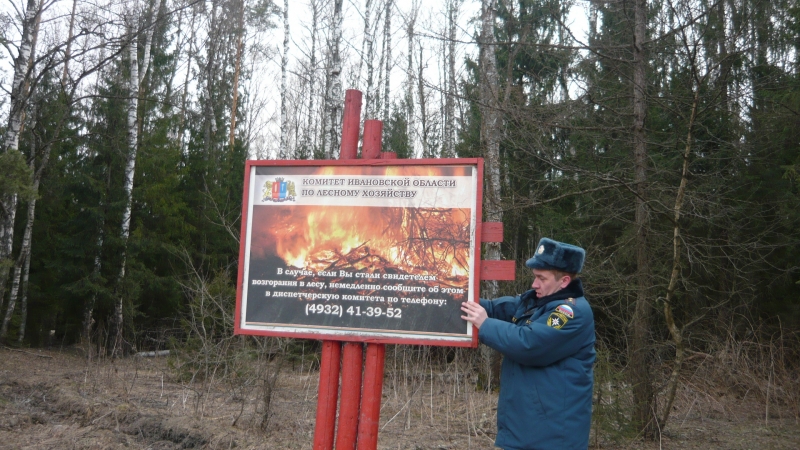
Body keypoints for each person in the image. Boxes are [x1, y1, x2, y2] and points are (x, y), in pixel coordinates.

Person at [461, 237, 596, 450]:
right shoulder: (537, 303)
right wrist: (453, 299)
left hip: (552, 438)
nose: (534, 284)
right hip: (526, 431)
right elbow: (497, 308)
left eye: (542, 278)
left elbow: (529, 344)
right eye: (535, 277)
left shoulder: (571, 312)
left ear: (564, 282)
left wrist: (484, 324)